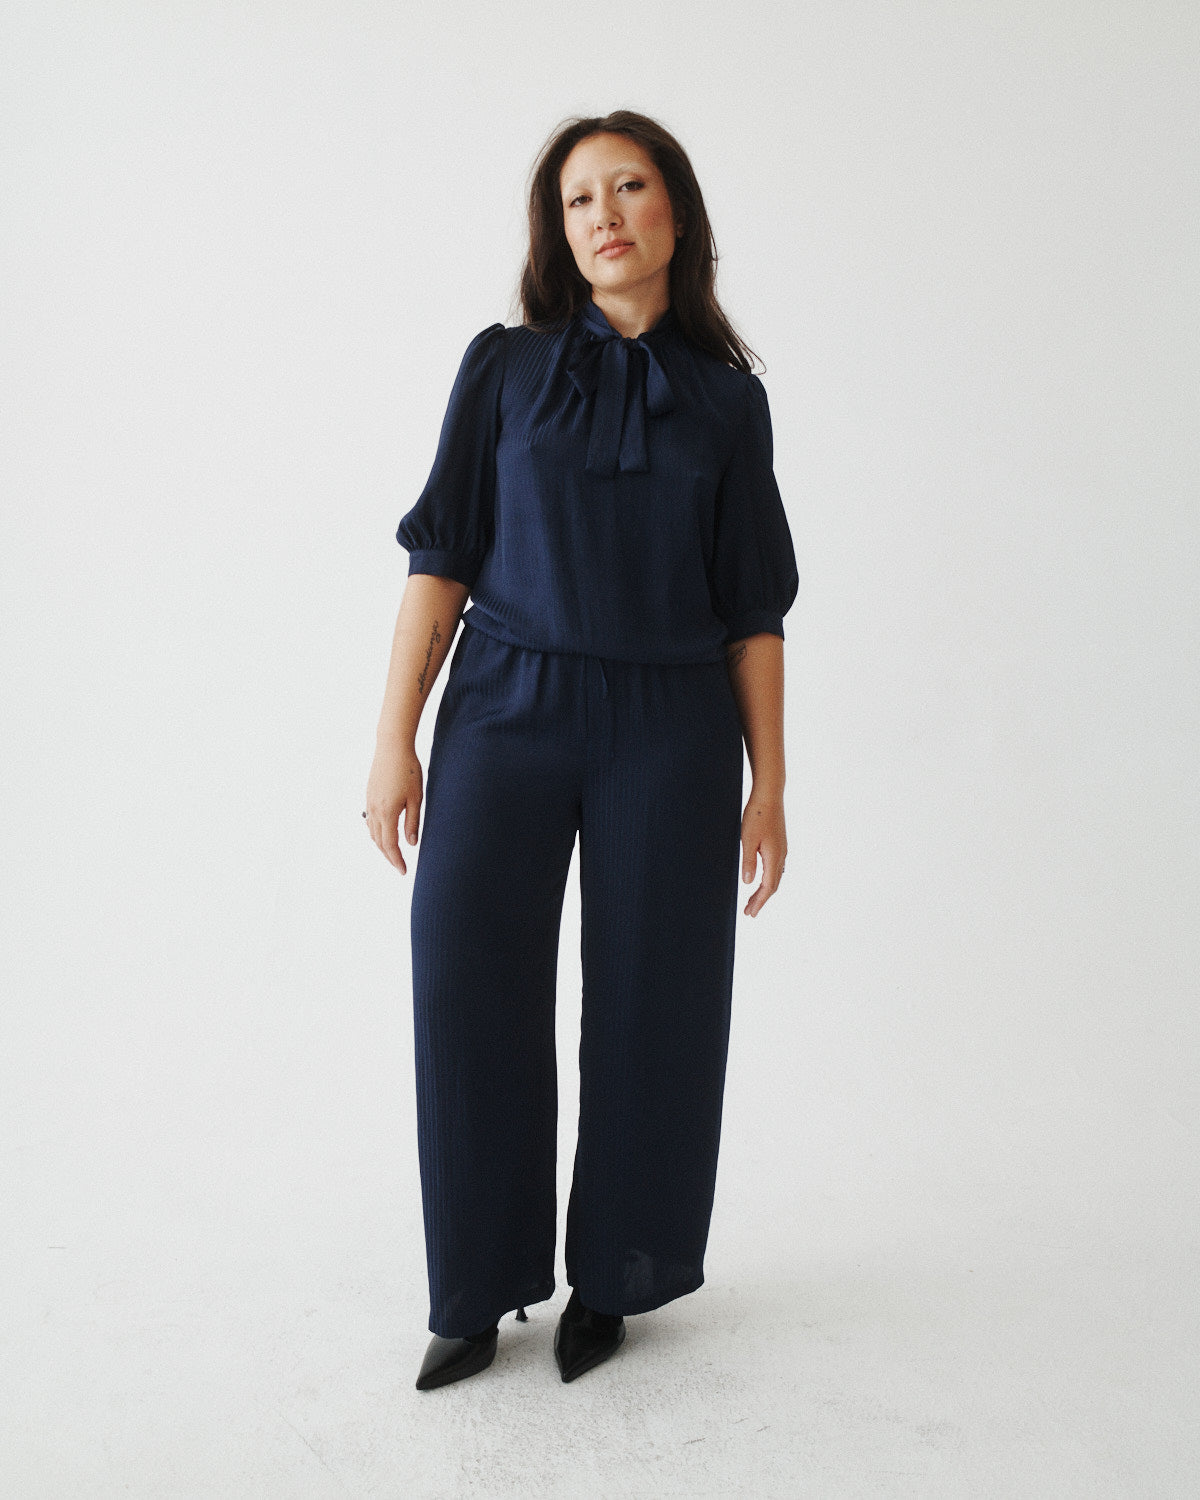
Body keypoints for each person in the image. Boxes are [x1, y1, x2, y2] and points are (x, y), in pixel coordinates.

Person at [364, 110, 799, 1391]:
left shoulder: (729, 401)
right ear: (558, 232)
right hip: (506, 702)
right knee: (465, 982)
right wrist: (393, 739)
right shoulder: (503, 369)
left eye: (630, 186)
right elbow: (441, 556)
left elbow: (753, 608)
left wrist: (772, 780)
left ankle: (616, 1271)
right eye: (577, 199)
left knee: (658, 999)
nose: (604, 214)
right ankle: (476, 1284)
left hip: (671, 725)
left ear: (677, 212)